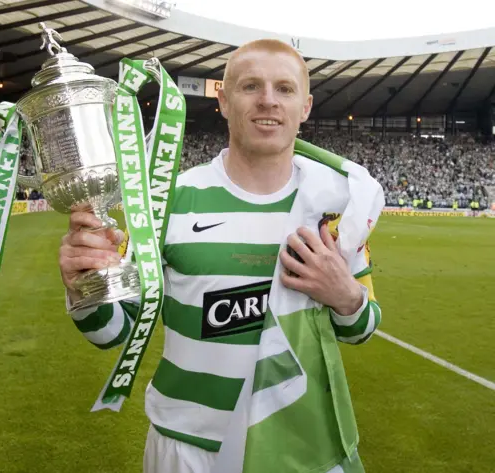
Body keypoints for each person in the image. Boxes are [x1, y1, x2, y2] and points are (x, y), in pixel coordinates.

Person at [59, 39, 381, 473]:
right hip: (187, 447)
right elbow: (115, 332)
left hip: (297, 442)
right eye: (251, 86)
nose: (268, 100)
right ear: (224, 101)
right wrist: (84, 283)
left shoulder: (336, 206)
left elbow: (362, 326)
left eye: (284, 89)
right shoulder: (166, 200)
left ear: (305, 107)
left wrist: (346, 297)